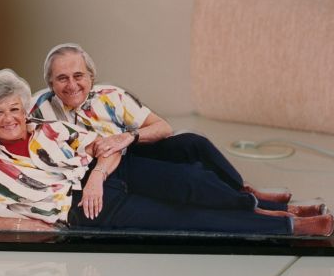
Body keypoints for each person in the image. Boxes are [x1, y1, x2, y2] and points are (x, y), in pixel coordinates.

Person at [0, 69, 333, 235]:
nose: (9, 119)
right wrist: (22, 224)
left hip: (111, 173)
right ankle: (288, 224)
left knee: (193, 180)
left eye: (14, 108)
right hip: (86, 211)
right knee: (186, 218)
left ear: (24, 107)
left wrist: (96, 176)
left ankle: (262, 205)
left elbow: (104, 148)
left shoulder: (49, 129)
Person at [30, 43, 315, 213]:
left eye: (78, 76)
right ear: (51, 83)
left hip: (130, 150)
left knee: (194, 143)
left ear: (91, 77)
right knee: (190, 177)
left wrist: (127, 136)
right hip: (106, 172)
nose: (72, 85)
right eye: (62, 79)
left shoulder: (110, 96)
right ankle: (263, 209)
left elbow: (163, 127)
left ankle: (243, 190)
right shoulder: (41, 111)